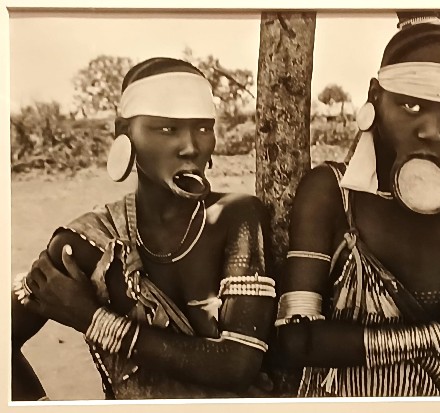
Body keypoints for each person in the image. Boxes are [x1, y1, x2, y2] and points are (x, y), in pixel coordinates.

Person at [11, 57, 277, 400]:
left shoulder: (236, 216)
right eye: (167, 129)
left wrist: (90, 317)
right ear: (124, 134)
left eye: (202, 127)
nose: (191, 147)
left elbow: (238, 365)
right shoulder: (89, 243)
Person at [275, 17, 440, 397]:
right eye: (411, 105)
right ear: (375, 94)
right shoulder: (333, 192)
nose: (432, 130)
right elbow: (296, 340)